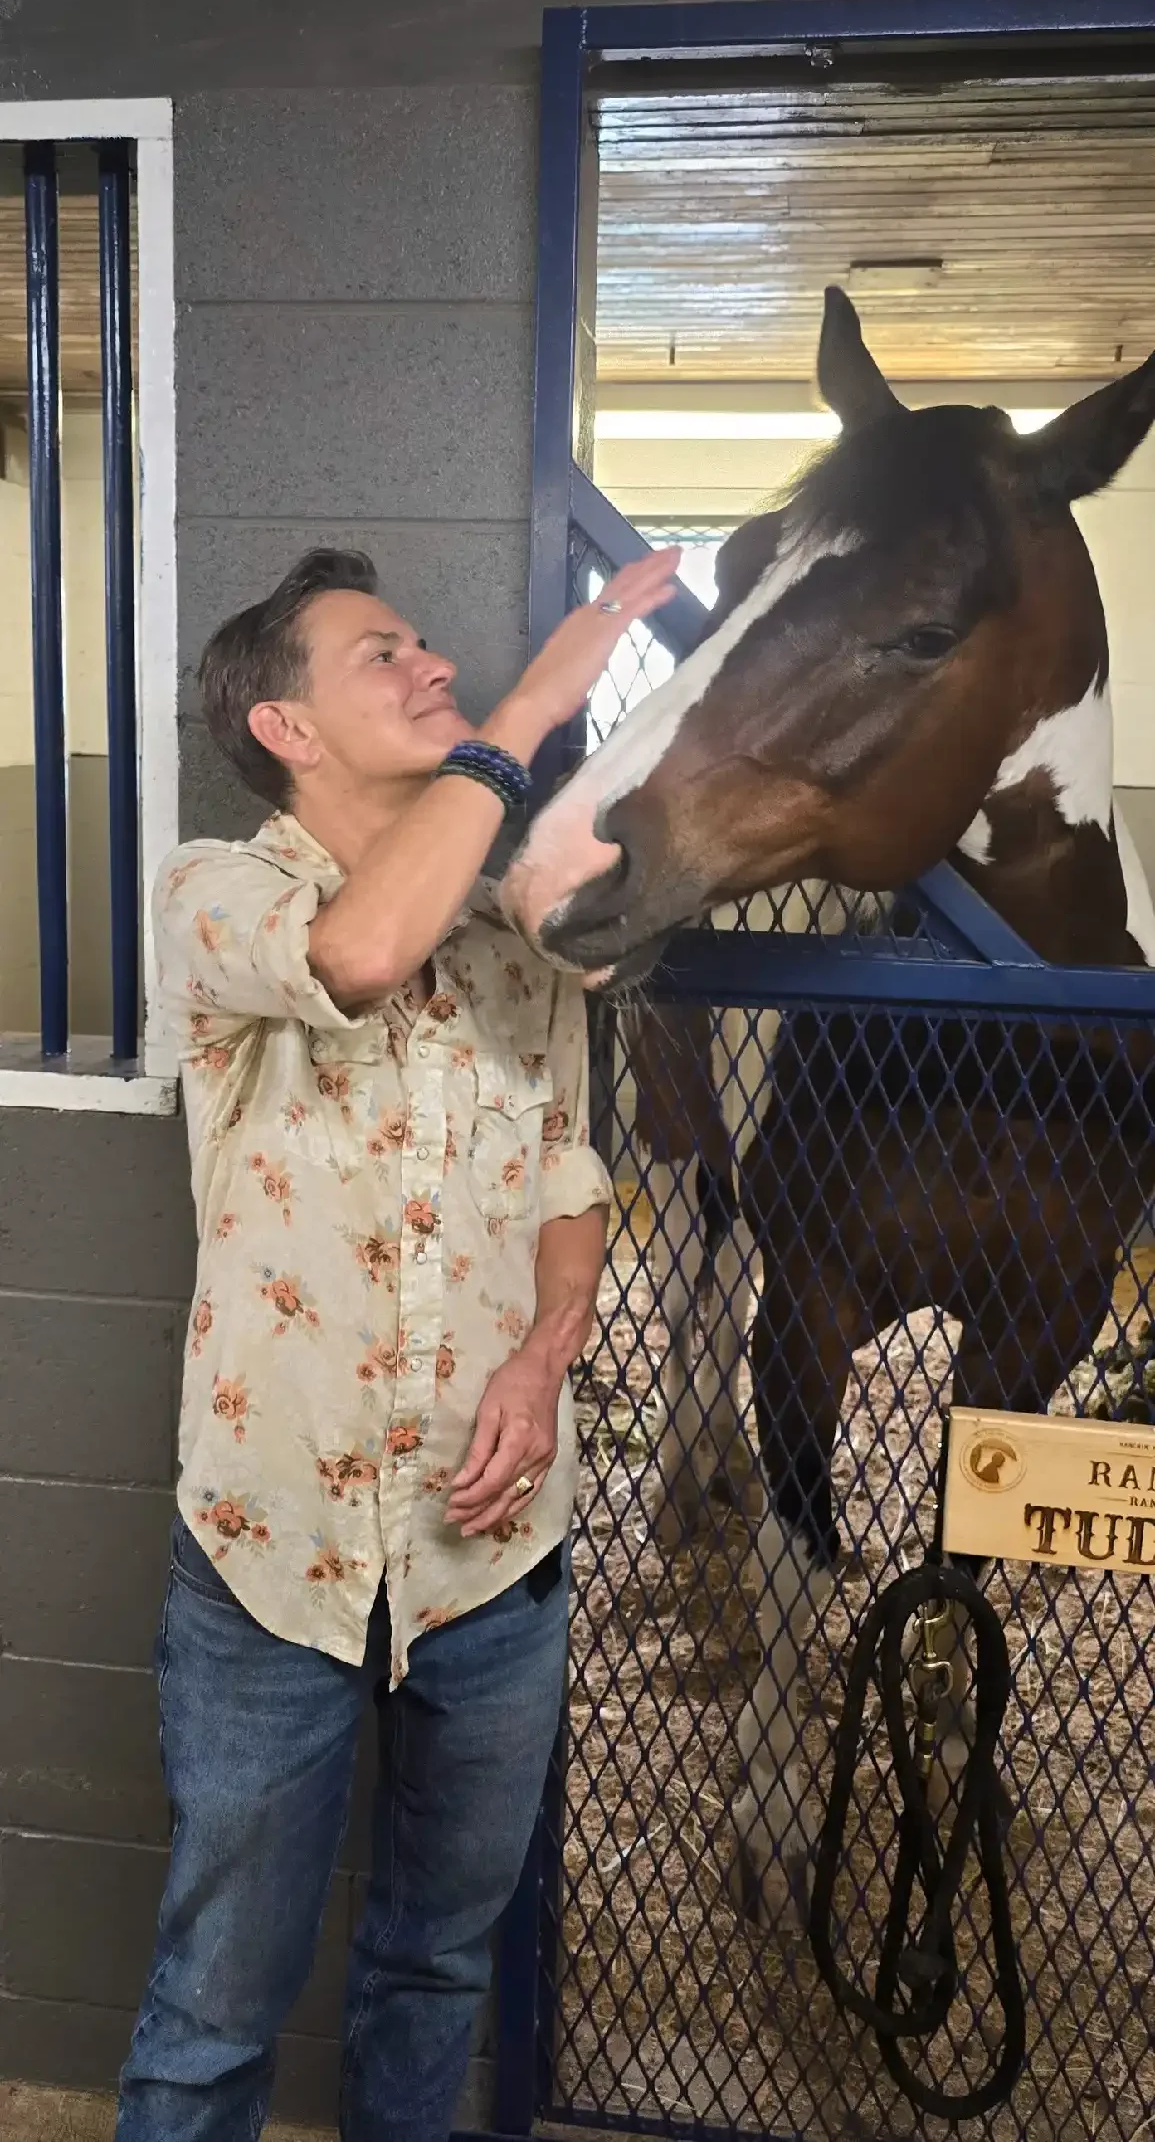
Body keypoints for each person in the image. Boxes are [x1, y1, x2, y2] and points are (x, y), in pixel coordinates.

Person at [116, 540, 679, 2142]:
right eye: (384, 653)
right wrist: (531, 705)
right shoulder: (215, 894)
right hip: (272, 1557)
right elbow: (357, 956)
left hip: (488, 1559)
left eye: (427, 644)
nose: (429, 664)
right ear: (283, 726)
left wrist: (546, 1355)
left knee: (435, 1969)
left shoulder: (513, 939)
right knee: (213, 2008)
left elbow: (569, 1172)